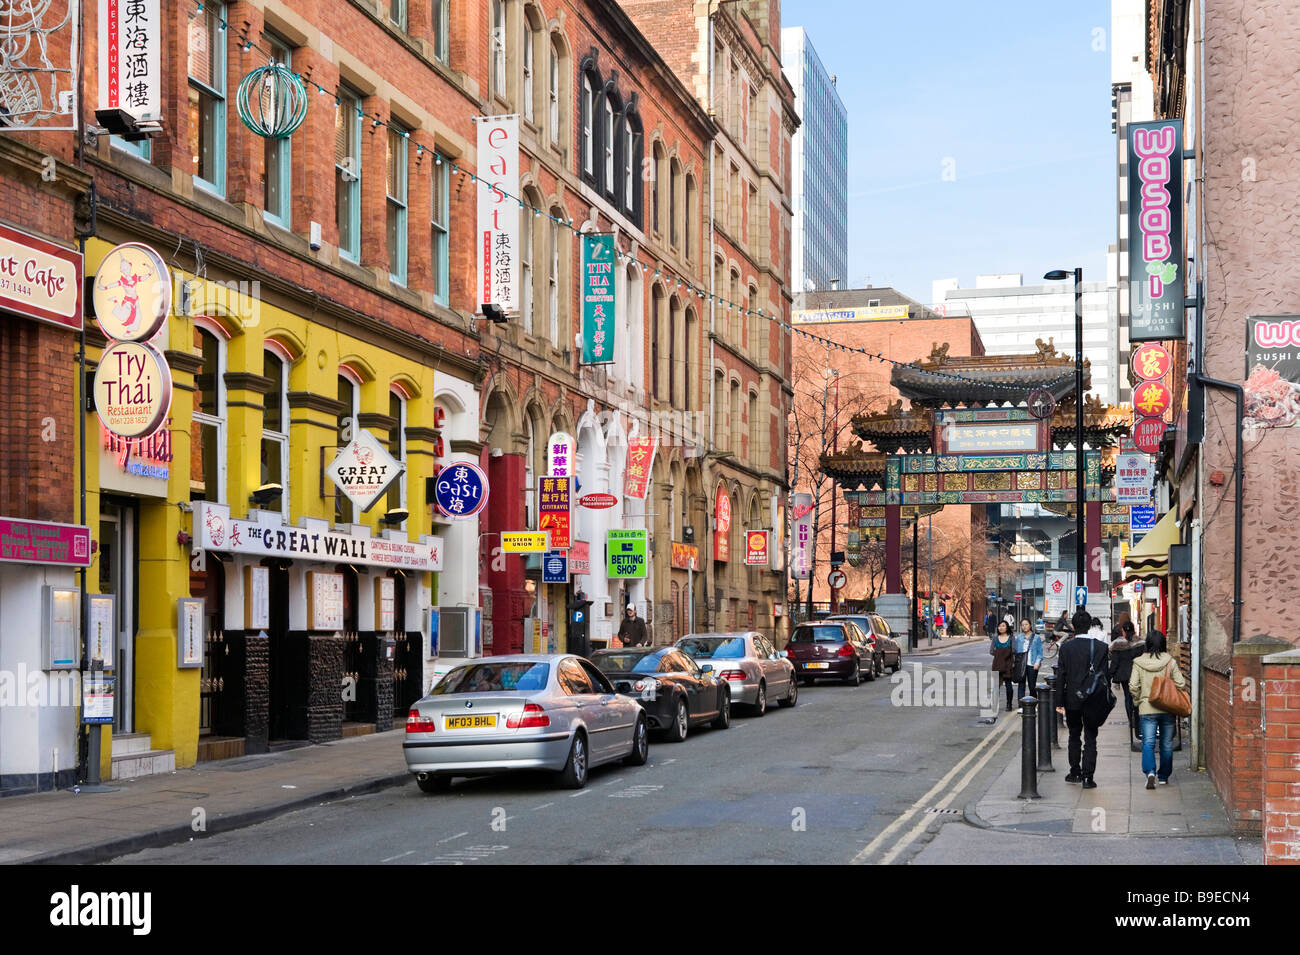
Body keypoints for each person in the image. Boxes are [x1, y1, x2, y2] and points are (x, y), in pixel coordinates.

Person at [1056, 609, 1110, 789]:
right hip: (1093, 699)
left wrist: (1059, 702)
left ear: (1073, 626)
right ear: (1089, 626)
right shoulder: (1101, 648)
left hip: (1072, 699)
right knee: (1091, 737)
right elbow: (1105, 677)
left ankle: (1075, 772)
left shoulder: (1066, 648)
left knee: (1074, 734)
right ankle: (1088, 777)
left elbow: (1061, 676)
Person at [1129, 630, 1187, 789]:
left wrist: (1139, 700)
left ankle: (1150, 772)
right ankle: (1163, 777)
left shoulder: (1138, 662)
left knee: (1148, 742)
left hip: (1146, 708)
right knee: (1166, 744)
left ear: (1147, 644)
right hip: (1167, 708)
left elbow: (1133, 686)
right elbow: (1181, 684)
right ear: (1163, 644)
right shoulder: (1170, 662)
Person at [1109, 620, 1143, 742]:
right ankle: (1138, 718)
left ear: (1123, 631)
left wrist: (1110, 675)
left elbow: (1115, 662)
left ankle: (1131, 720)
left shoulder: (1118, 644)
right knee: (1137, 697)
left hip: (1124, 676)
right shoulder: (1140, 642)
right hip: (1138, 674)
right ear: (1133, 629)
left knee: (1128, 698)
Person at [989, 620, 1016, 714]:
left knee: (1008, 685)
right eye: (999, 626)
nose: (1001, 627)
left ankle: (1009, 704)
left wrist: (1000, 653)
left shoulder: (1011, 638)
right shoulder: (995, 638)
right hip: (997, 665)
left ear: (1007, 627)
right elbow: (991, 651)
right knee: (996, 686)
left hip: (1008, 665)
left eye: (1003, 626)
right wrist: (1002, 654)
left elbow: (1014, 650)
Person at [1016, 617, 1043, 705]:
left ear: (1030, 625)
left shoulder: (1037, 638)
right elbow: (1016, 652)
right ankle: (1021, 705)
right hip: (1021, 665)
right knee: (1021, 686)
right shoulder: (1019, 638)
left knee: (1032, 686)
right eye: (1022, 625)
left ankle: (1033, 704)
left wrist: (1037, 663)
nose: (1024, 626)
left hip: (1032, 664)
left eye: (1026, 624)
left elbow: (1040, 652)